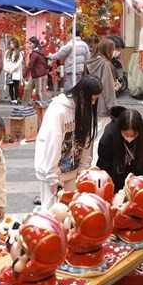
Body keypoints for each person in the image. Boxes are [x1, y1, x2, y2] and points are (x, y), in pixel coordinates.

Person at [34, 75, 103, 209]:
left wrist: (83, 168)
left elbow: (86, 142)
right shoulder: (58, 110)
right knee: (53, 215)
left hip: (73, 171)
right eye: (92, 99)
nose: (93, 103)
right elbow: (52, 144)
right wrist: (53, 178)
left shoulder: (84, 110)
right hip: (53, 173)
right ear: (82, 94)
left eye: (96, 99)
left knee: (70, 215)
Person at [96, 107, 143, 191]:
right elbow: (104, 163)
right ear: (119, 130)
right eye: (126, 134)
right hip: (115, 177)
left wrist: (139, 179)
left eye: (134, 135)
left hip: (139, 180)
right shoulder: (110, 134)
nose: (130, 138)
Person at [85, 38, 119, 131]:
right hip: (103, 106)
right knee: (100, 135)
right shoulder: (105, 64)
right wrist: (113, 108)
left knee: (93, 133)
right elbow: (107, 88)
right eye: (113, 49)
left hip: (91, 104)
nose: (114, 52)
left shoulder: (91, 63)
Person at [48, 25, 90, 90]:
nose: (68, 35)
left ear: (72, 33)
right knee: (78, 88)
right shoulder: (84, 45)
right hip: (80, 70)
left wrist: (50, 56)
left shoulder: (70, 44)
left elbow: (59, 54)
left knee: (71, 89)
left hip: (71, 69)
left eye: (69, 33)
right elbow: (88, 58)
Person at [22, 36, 48, 105]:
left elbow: (30, 65)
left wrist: (25, 73)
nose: (29, 45)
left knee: (39, 93)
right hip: (36, 74)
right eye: (29, 43)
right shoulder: (40, 51)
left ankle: (43, 108)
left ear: (35, 44)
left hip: (38, 75)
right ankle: (25, 106)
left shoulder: (35, 53)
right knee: (27, 89)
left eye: (31, 44)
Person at [3, 38, 24, 104]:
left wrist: (12, 70)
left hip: (15, 72)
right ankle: (12, 99)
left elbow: (19, 63)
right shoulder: (7, 52)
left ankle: (16, 99)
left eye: (12, 43)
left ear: (16, 44)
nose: (11, 45)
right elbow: (5, 62)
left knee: (16, 86)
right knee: (10, 86)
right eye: (10, 43)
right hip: (8, 72)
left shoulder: (20, 53)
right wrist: (7, 69)